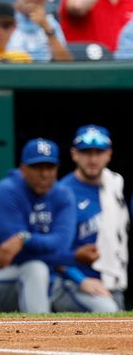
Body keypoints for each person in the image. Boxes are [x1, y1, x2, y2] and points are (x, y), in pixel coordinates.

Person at [0, 138, 75, 313]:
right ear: (23, 169)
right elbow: (18, 254)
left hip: (47, 280)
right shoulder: (6, 191)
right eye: (37, 167)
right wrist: (70, 257)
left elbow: (62, 244)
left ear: (57, 169)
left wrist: (24, 238)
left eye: (49, 167)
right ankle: (41, 335)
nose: (44, 174)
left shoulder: (63, 195)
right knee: (35, 268)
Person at [52, 125, 126, 312]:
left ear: (108, 154)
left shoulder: (116, 186)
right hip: (71, 281)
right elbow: (53, 250)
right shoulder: (63, 192)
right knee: (108, 311)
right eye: (86, 152)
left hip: (111, 280)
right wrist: (81, 280)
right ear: (74, 154)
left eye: (99, 152)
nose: (93, 159)